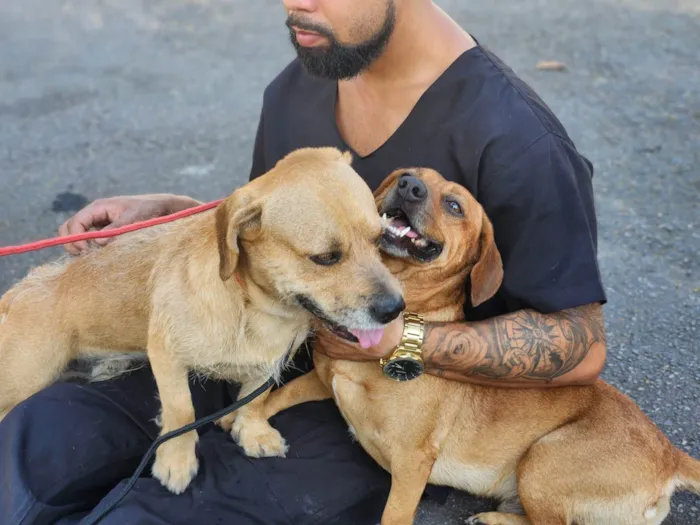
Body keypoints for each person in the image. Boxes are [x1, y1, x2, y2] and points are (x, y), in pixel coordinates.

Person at [0, 1, 608, 524]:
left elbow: (581, 345)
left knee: (155, 511)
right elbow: (278, 228)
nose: (295, 5)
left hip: (385, 403)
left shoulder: (518, 141)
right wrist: (178, 211)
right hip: (255, 337)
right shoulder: (307, 76)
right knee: (38, 440)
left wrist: (403, 339)